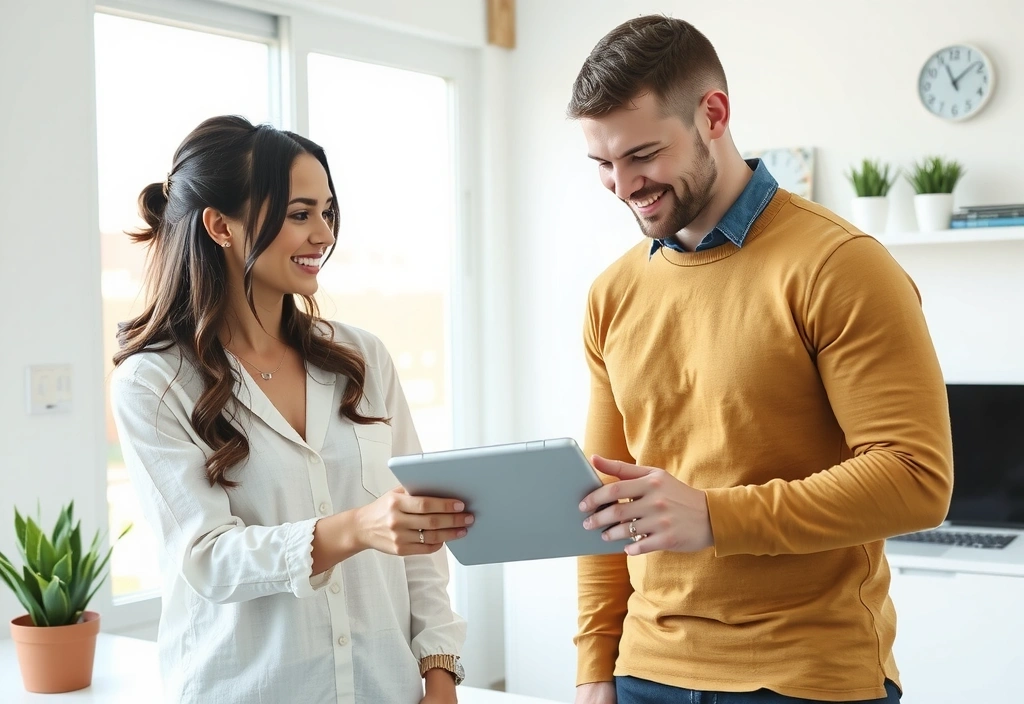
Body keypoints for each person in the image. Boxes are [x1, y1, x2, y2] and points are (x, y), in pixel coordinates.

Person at [568, 15, 952, 704]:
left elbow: (918, 479)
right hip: (645, 672)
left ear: (713, 114)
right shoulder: (612, 294)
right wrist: (596, 667)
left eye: (643, 155)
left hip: (808, 677)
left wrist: (715, 516)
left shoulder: (839, 266)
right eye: (603, 163)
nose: (623, 185)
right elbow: (603, 500)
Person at [109, 115, 471, 704]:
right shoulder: (155, 383)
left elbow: (417, 534)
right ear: (220, 226)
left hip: (388, 688)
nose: (323, 234)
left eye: (327, 213)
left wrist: (438, 670)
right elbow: (207, 558)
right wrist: (355, 528)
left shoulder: (361, 358)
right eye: (300, 214)